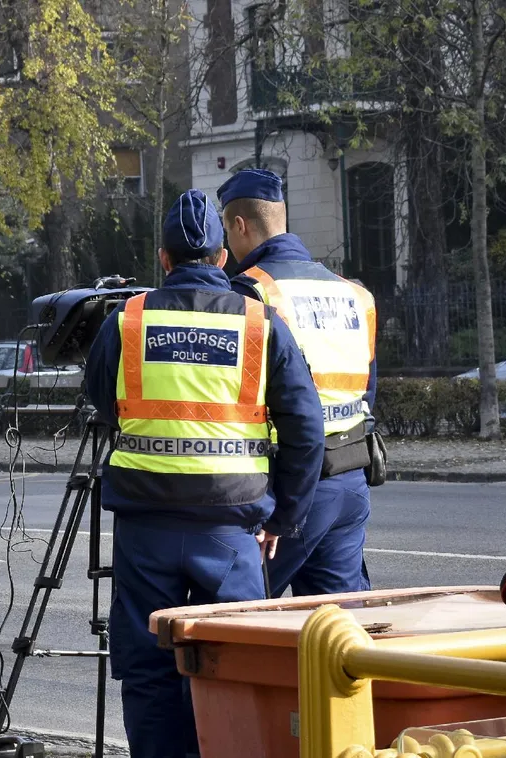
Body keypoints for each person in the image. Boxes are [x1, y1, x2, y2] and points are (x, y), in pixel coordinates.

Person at [86, 189, 325, 758]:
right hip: (231, 530)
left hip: (147, 530)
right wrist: (286, 517)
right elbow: (305, 431)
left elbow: (101, 401)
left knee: (149, 671)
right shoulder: (260, 324)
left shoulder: (128, 320)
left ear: (163, 259)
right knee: (232, 669)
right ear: (223, 258)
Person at [219, 168, 378, 598]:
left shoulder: (252, 292)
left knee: (237, 618)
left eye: (226, 231)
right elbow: (368, 390)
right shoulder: (353, 293)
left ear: (240, 225)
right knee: (336, 637)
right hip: (350, 479)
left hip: (289, 484)